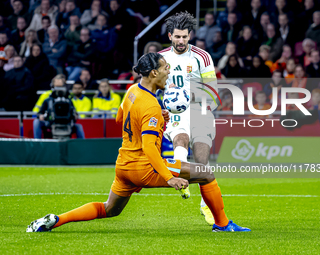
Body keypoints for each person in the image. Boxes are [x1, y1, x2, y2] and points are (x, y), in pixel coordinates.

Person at [26, 52, 251, 233]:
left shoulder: (132, 91)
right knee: (206, 173)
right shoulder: (151, 104)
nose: (168, 72)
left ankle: (56, 220)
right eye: (165, 68)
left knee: (109, 209)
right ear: (153, 73)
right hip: (144, 165)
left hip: (124, 165)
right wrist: (169, 178)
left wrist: (153, 120)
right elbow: (148, 148)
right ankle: (222, 224)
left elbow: (119, 118)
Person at [160, 12, 219, 225]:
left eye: (185, 37)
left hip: (200, 108)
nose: (181, 41)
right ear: (170, 36)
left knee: (202, 160)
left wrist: (190, 94)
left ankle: (206, 206)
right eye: (177, 37)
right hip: (175, 112)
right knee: (181, 138)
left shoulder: (202, 57)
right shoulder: (160, 58)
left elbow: (214, 92)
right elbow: (150, 86)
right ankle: (182, 179)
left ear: (190, 35)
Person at [32, 74, 85, 139]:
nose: (58, 89)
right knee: (36, 122)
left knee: (78, 126)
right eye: (56, 87)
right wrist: (40, 116)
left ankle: (82, 146)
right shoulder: (48, 100)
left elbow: (74, 112)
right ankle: (37, 144)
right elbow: (39, 113)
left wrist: (75, 116)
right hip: (51, 123)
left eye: (60, 87)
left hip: (66, 123)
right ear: (52, 86)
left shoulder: (68, 100)